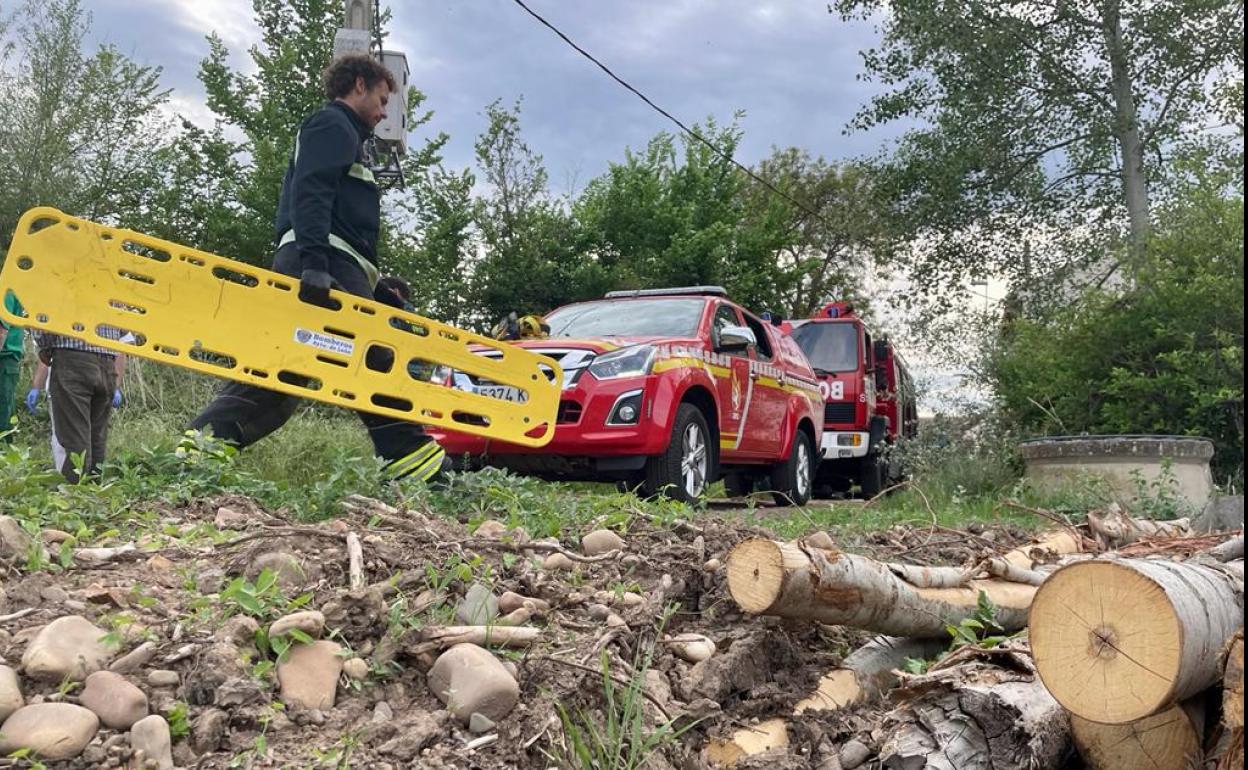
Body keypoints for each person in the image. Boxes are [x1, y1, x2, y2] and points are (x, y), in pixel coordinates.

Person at [189, 54, 446, 484]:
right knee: (373, 355)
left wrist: (377, 285)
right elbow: (312, 193)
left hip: (330, 261)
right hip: (320, 260)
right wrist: (314, 265)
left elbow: (341, 220)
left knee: (283, 368)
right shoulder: (332, 125)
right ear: (359, 85)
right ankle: (416, 464)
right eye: (383, 100)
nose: (385, 113)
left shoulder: (346, 135)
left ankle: (200, 447)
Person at [32, 327, 127, 482]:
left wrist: (44, 345)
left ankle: (73, 497)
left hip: (72, 358)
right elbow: (125, 328)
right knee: (96, 437)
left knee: (75, 437)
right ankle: (94, 492)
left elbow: (46, 321)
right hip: (107, 362)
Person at [0, 290, 25, 440]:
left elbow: (1, 331)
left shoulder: (3, 290)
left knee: (3, 418)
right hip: (7, 363)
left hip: (4, 360)